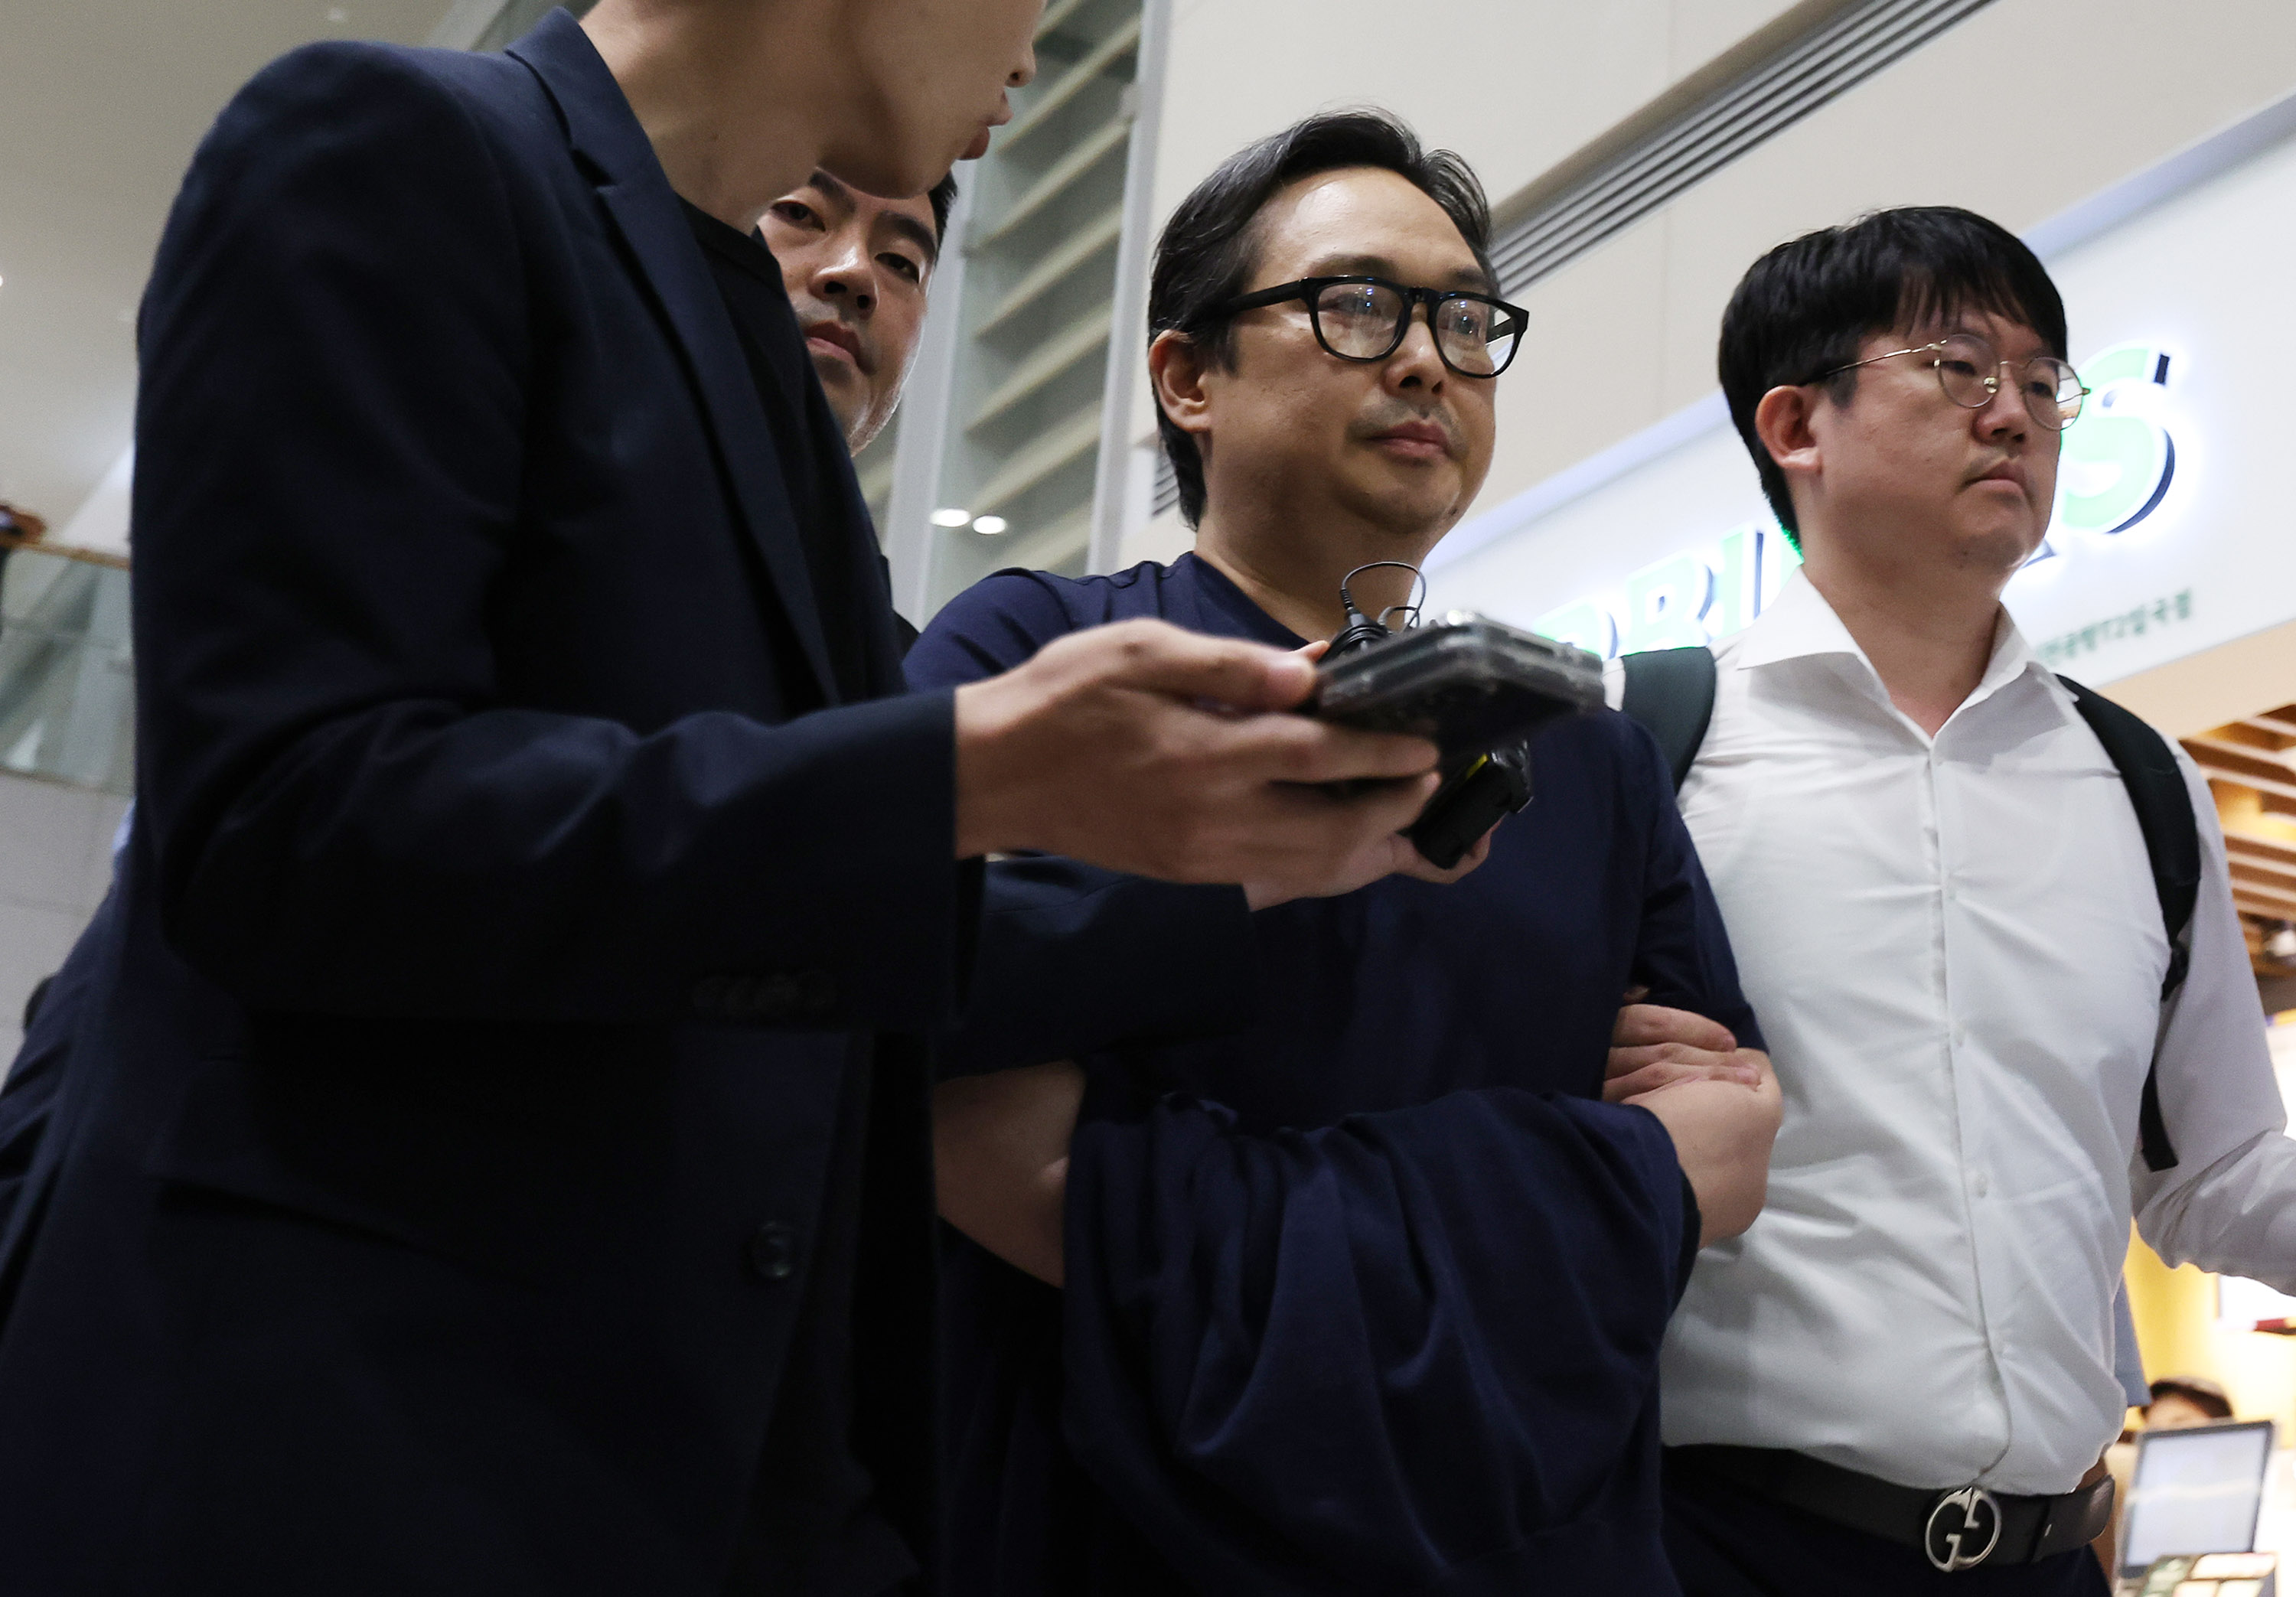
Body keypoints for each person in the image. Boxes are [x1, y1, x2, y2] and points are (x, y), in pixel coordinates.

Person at [0, 3, 1467, 1592]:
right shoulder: (393, 144)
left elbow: (806, 941)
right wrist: (963, 773)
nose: (1034, 53)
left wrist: (1238, 861)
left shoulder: (762, 388)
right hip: (339, 1458)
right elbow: (291, 819)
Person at [907, 110, 1782, 1596]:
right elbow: (926, 1072)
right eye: (1359, 306)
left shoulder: (1588, 752)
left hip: (1536, 1539)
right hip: (1112, 1529)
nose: (1428, 360)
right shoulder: (1040, 656)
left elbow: (1723, 1146)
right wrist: (1566, 1181)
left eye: (1465, 320)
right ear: (1188, 377)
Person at [1619, 206, 2296, 1595]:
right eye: (1957, 368)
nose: (2015, 415)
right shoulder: (1647, 747)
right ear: (1796, 425)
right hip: (1717, 1546)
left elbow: (2215, 1170)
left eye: (2043, 381)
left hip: (2049, 1554)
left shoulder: (2138, 779)